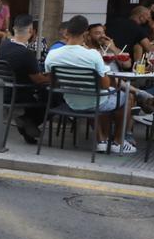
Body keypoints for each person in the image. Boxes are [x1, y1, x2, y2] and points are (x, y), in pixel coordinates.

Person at [43, 15, 136, 155]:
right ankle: (118, 142)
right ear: (85, 33)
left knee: (99, 95)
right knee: (127, 96)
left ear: (67, 32)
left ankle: (102, 141)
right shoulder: (93, 55)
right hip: (94, 103)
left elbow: (52, 80)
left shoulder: (53, 54)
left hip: (70, 102)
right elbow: (105, 85)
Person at [0, 15, 50, 143]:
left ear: (14, 29)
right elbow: (38, 80)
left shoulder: (3, 45)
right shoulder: (26, 53)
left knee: (42, 95)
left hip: (1, 90)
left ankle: (28, 125)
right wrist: (53, 78)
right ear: (31, 31)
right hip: (17, 93)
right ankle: (27, 121)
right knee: (52, 98)